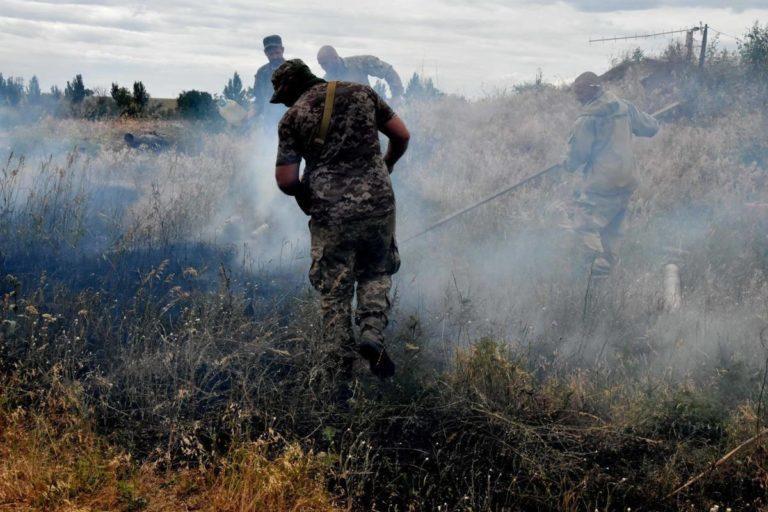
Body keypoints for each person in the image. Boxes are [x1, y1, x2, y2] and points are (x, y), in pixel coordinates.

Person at [270, 59, 410, 382]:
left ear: (290, 90)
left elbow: (286, 180)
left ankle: (337, 366)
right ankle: (372, 333)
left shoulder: (292, 117)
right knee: (376, 271)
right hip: (378, 204)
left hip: (330, 212)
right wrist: (386, 165)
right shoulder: (363, 93)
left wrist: (308, 197)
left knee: (334, 288)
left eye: (284, 98)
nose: (286, 105)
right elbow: (402, 135)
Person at [563, 71, 659, 277]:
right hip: (626, 180)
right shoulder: (624, 107)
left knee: (584, 225)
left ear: (589, 93)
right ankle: (607, 273)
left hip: (603, 183)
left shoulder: (587, 120)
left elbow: (577, 157)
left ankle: (595, 269)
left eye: (578, 94)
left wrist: (566, 163)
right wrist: (652, 121)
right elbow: (649, 128)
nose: (577, 99)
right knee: (612, 229)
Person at [316, 46, 404, 102]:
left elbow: (388, 71)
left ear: (335, 58)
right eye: (321, 64)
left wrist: (396, 96)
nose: (323, 67)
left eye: (325, 63)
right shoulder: (326, 82)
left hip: (370, 114)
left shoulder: (359, 63)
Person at [251, 35, 287, 126]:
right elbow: (259, 100)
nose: (275, 57)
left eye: (277, 53)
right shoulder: (262, 73)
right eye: (271, 54)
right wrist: (249, 116)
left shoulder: (294, 70)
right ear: (265, 53)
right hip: (269, 124)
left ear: (282, 50)